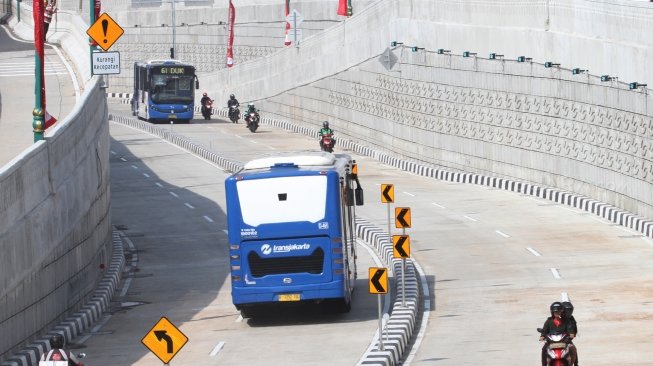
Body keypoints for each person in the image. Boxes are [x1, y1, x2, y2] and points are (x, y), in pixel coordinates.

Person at [540, 302, 576, 366]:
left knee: (572, 347)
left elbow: (569, 329)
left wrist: (571, 333)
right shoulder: (548, 321)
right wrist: (542, 336)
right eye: (555, 312)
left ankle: (575, 363)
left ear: (562, 311)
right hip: (551, 341)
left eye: (559, 311)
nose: (557, 313)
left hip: (564, 340)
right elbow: (544, 330)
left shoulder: (566, 321)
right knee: (544, 349)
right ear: (552, 312)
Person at [562, 301, 579, 366]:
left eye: (570, 311)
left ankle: (576, 363)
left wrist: (573, 334)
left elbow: (574, 328)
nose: (568, 313)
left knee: (573, 347)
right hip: (555, 338)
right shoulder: (557, 317)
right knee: (545, 348)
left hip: (566, 339)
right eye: (567, 311)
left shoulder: (571, 318)